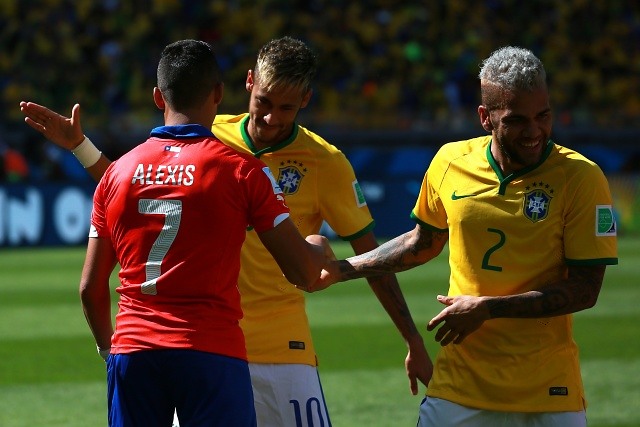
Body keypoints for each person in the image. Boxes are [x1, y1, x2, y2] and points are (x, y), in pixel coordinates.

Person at [21, 36, 432, 426]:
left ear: (306, 100)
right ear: (245, 83)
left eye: (286, 108)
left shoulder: (326, 162)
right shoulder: (211, 138)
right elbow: (131, 187)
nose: (270, 118)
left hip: (280, 348)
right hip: (210, 349)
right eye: (263, 102)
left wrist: (411, 338)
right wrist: (81, 147)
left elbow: (368, 251)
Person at [308, 46, 618, 427]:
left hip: (547, 389)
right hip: (459, 383)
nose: (535, 131)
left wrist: (487, 308)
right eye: (517, 120)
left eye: (543, 115)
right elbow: (421, 244)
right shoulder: (450, 161)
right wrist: (343, 268)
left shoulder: (582, 177)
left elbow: (586, 290)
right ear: (486, 118)